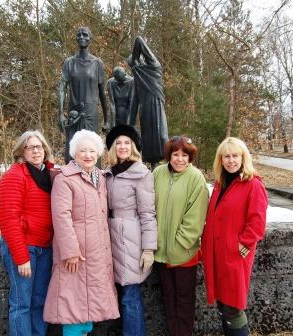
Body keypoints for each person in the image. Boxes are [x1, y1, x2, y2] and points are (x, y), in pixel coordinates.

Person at [44, 130, 120, 336]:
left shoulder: (100, 178)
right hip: (75, 255)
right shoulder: (65, 179)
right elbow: (61, 217)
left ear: (99, 153)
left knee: (88, 309)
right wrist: (70, 252)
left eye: (92, 150)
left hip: (96, 253)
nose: (88, 155)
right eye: (82, 150)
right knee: (73, 309)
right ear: (73, 153)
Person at [201, 137, 268, 336]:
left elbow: (257, 221)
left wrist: (243, 244)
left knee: (233, 306)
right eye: (226, 156)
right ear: (220, 160)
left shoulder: (253, 184)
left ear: (243, 157)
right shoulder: (221, 183)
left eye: (235, 156)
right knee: (223, 305)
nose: (231, 161)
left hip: (235, 255)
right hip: (217, 254)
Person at [0, 130, 54, 336]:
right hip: (24, 249)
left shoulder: (50, 175)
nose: (36, 151)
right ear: (21, 151)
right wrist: (21, 258)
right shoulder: (14, 176)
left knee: (39, 302)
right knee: (22, 303)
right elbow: (8, 220)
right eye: (30, 147)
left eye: (39, 147)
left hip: (45, 247)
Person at [153, 135, 208, 336]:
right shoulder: (158, 173)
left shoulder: (196, 177)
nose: (180, 159)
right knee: (168, 300)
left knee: (184, 302)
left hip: (184, 253)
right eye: (175, 154)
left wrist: (180, 242)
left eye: (184, 155)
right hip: (160, 252)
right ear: (169, 155)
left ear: (190, 157)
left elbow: (196, 216)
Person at [105, 124, 157, 336]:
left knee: (129, 294)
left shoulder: (141, 174)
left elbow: (147, 213)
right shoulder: (107, 173)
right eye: (119, 142)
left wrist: (148, 249)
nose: (123, 146)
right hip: (109, 236)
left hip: (130, 240)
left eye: (127, 142)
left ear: (134, 146)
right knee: (116, 294)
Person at [57, 26, 108, 163]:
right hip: (74, 113)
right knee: (72, 150)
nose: (81, 37)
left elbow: (103, 93)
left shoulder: (97, 63)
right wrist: (60, 113)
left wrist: (107, 119)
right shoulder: (69, 63)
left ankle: (94, 182)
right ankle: (70, 181)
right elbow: (62, 87)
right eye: (79, 35)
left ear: (90, 39)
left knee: (92, 149)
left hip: (91, 114)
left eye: (85, 35)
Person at [127, 36, 168, 166]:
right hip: (144, 109)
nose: (132, 68)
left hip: (156, 104)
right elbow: (134, 103)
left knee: (162, 136)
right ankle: (152, 166)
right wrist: (129, 126)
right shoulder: (137, 80)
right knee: (147, 139)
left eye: (132, 65)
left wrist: (134, 59)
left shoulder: (154, 66)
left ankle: (169, 163)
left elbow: (138, 40)